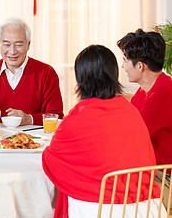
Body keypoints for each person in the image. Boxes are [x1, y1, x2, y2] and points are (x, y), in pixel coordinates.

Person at [42, 45, 165, 217]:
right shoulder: (130, 111)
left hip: (100, 208)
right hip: (145, 207)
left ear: (80, 78)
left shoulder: (78, 116)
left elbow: (51, 159)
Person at [0, 18, 63, 125]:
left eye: (19, 45)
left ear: (28, 44)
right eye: (6, 44)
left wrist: (28, 119)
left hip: (33, 139)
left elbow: (56, 115)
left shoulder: (46, 73)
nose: (12, 51)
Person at [117, 29, 172, 165]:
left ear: (140, 66)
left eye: (125, 61)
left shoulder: (163, 91)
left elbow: (133, 134)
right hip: (149, 168)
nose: (123, 66)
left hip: (164, 175)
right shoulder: (144, 90)